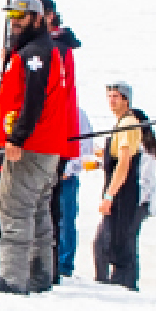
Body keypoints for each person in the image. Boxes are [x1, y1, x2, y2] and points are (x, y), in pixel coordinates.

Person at [0, 0, 73, 295]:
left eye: (19, 17)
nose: (14, 23)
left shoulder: (35, 54)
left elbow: (33, 102)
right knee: (38, 211)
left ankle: (12, 278)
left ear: (35, 17)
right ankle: (39, 275)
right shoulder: (49, 51)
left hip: (32, 145)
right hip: (48, 146)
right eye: (11, 18)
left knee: (14, 207)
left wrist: (17, 138)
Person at [41, 0, 82, 287]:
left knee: (52, 205)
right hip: (56, 136)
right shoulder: (56, 47)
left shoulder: (57, 49)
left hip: (54, 137)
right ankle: (49, 265)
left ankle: (52, 265)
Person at [92, 82, 145, 291]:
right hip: (119, 191)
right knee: (109, 242)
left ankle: (122, 286)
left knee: (113, 243)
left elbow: (124, 164)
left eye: (116, 96)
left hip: (123, 194)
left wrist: (109, 196)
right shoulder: (121, 123)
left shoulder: (128, 123)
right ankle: (116, 284)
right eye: (109, 96)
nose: (112, 100)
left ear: (126, 100)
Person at [56, 105, 94, 277]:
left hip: (66, 176)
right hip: (46, 174)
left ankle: (64, 264)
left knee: (66, 220)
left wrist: (69, 169)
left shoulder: (77, 114)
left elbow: (85, 147)